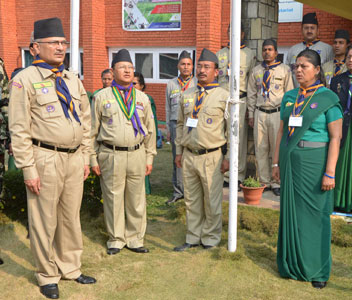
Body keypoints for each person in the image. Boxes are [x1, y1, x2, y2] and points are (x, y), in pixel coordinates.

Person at [9, 17, 96, 299]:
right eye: (54, 43)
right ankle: (47, 274)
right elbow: (18, 129)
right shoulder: (24, 80)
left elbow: (85, 120)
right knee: (44, 220)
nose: (60, 48)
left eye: (63, 43)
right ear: (35, 47)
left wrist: (85, 156)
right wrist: (28, 169)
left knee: (70, 217)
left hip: (73, 160)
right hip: (44, 158)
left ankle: (70, 267)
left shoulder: (71, 79)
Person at [273, 49, 342, 289]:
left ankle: (318, 270)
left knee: (316, 216)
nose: (299, 70)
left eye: (304, 66)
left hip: (315, 162)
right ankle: (292, 264)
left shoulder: (328, 98)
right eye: (296, 66)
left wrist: (330, 172)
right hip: (291, 161)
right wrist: (276, 162)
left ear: (317, 69)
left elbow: (336, 138)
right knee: (293, 214)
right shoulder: (290, 96)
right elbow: (282, 132)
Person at [91, 49, 156, 255]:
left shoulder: (142, 98)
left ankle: (135, 238)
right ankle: (116, 238)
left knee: (137, 199)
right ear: (113, 70)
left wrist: (150, 156)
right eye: (122, 67)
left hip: (137, 153)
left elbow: (150, 129)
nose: (127, 71)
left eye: (130, 68)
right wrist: (92, 159)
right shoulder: (101, 97)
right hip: (111, 154)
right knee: (113, 197)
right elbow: (91, 131)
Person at [174, 48, 230, 251]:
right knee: (191, 199)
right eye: (200, 66)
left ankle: (210, 238)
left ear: (216, 71)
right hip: (189, 155)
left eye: (207, 67)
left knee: (212, 201)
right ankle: (192, 236)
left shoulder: (224, 96)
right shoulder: (188, 94)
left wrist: (228, 157)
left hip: (212, 156)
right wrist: (179, 152)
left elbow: (232, 130)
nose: (202, 70)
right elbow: (180, 124)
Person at [247, 39, 294, 196]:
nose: (267, 52)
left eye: (270, 49)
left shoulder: (285, 70)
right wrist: (251, 113)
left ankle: (276, 182)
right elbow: (252, 95)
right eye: (264, 50)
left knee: (276, 147)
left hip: (277, 113)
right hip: (260, 112)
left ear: (276, 52)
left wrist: (287, 116)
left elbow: (289, 94)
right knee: (260, 148)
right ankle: (264, 181)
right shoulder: (256, 71)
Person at [217, 23, 256, 189]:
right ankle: (223, 173)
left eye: (236, 32)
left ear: (242, 34)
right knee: (221, 137)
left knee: (238, 138)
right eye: (230, 31)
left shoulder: (249, 54)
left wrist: (250, 108)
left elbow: (253, 82)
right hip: (221, 101)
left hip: (240, 100)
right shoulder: (220, 54)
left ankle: (238, 175)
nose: (233, 34)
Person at [165, 50, 197, 204]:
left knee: (191, 157)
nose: (186, 67)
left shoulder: (197, 83)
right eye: (183, 64)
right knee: (177, 158)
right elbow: (167, 107)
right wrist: (167, 128)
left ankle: (191, 190)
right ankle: (178, 191)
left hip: (191, 124)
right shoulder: (171, 84)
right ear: (178, 66)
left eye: (189, 64)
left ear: (192, 66)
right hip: (174, 124)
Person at [330, 44, 352, 213]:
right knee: (340, 163)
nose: (351, 60)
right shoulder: (338, 80)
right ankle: (338, 200)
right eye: (349, 57)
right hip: (342, 126)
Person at [286, 12, 334, 88]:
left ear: (318, 30)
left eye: (312, 28)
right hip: (297, 93)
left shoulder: (327, 49)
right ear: (301, 30)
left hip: (318, 93)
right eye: (306, 28)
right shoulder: (293, 50)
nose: (309, 31)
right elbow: (288, 75)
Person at [133, 71, 158, 194]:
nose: (132, 86)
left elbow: (152, 123)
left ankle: (146, 190)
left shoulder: (147, 99)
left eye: (135, 83)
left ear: (142, 85)